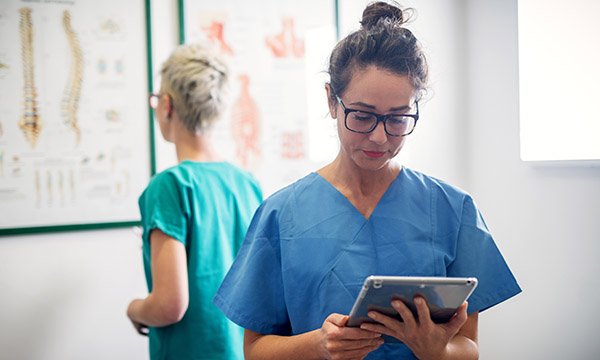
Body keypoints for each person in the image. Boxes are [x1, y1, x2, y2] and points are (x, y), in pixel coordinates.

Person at [213, 2, 521, 359]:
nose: (379, 137)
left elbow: (468, 345)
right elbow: (256, 350)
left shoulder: (453, 209)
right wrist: (319, 345)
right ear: (332, 100)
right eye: (362, 116)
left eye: (398, 118)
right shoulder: (282, 214)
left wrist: (436, 350)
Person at [127, 43, 262, 360]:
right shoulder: (247, 183)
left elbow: (168, 305)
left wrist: (133, 309)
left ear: (167, 106)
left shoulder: (169, 187)